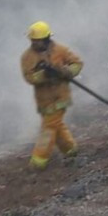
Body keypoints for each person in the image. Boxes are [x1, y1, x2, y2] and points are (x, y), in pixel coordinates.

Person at [20, 21, 84, 170]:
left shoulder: (60, 50)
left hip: (60, 98)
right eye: (33, 41)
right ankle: (70, 149)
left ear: (47, 38)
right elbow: (28, 77)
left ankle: (38, 161)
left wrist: (66, 72)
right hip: (44, 101)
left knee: (48, 128)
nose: (35, 43)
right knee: (56, 126)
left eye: (38, 40)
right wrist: (44, 75)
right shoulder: (27, 57)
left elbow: (77, 63)